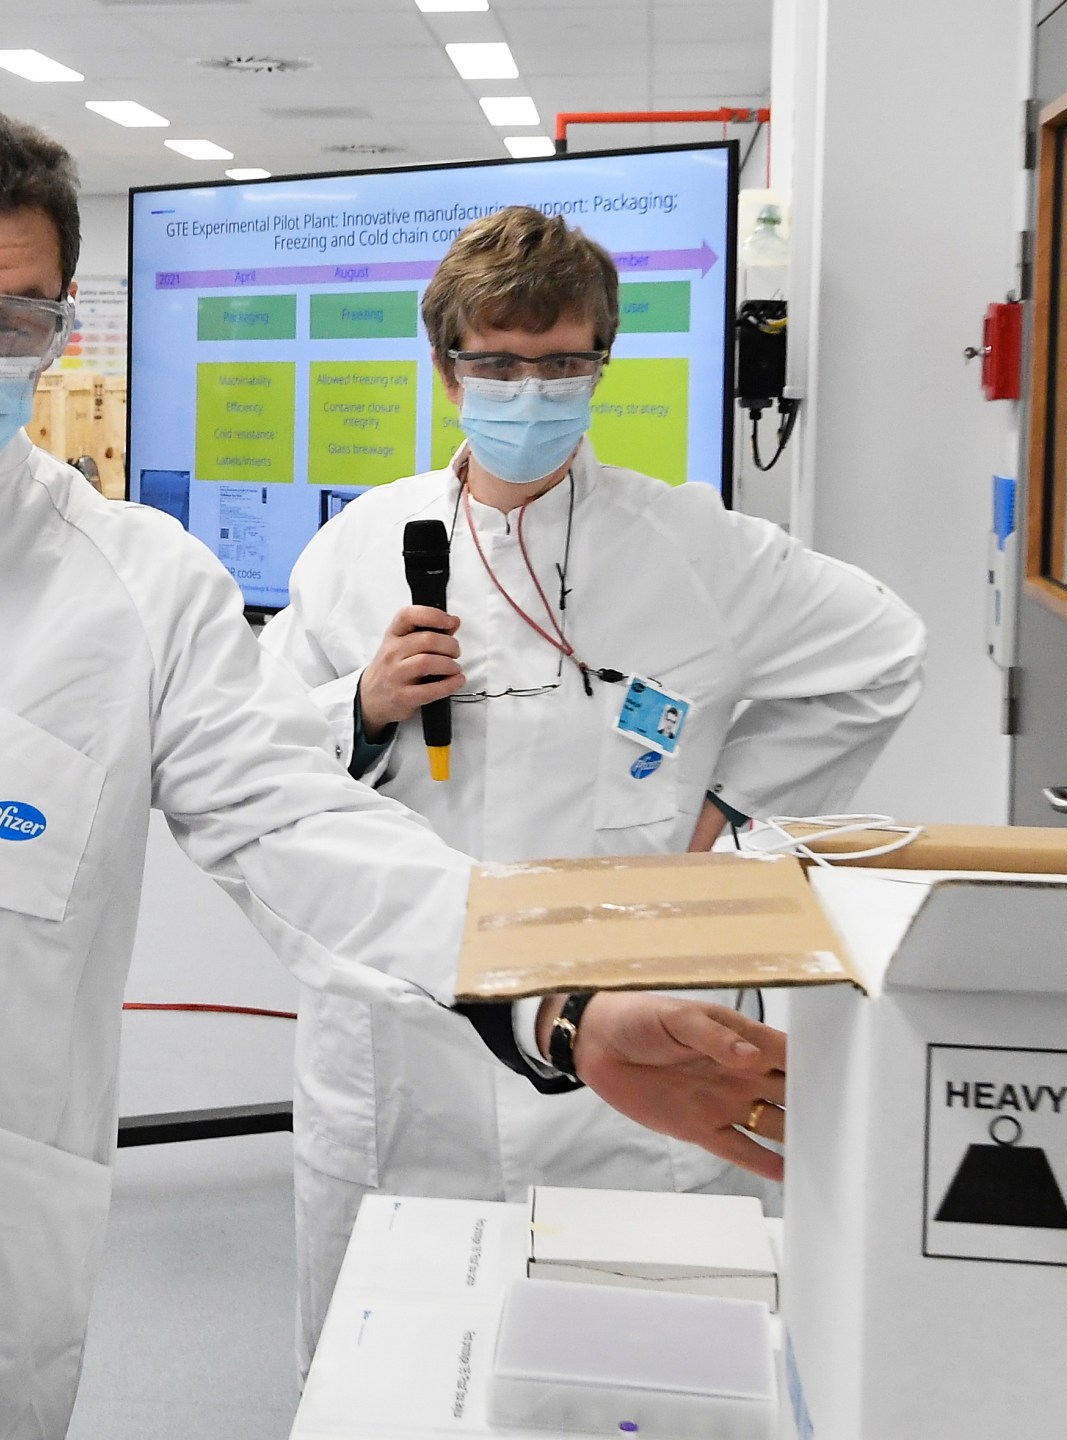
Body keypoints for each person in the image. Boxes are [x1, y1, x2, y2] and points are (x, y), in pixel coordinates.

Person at [0, 101, 788, 1440]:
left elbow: (299, 826)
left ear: (61, 327)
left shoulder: (133, 587)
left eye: (12, 325)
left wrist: (558, 999)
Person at [261, 204, 927, 1364]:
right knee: (395, 1370)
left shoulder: (693, 547)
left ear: (600, 363)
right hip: (410, 1046)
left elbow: (881, 656)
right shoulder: (358, 548)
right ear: (446, 369)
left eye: (562, 363)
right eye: (498, 365)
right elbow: (254, 765)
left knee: (645, 1373)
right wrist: (358, 705)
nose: (531, 390)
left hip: (632, 1031)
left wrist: (730, 813)